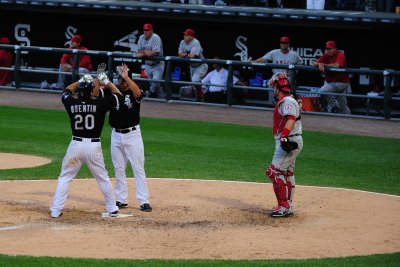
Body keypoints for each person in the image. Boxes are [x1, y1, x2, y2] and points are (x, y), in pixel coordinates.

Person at [50, 72, 123, 218]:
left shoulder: (72, 103)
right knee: (102, 178)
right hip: (93, 147)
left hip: (75, 146)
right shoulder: (99, 104)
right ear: (91, 91)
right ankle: (112, 208)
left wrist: (80, 81)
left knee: (65, 178)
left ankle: (55, 210)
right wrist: (106, 82)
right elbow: (119, 96)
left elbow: (65, 92)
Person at [95, 63, 152, 212]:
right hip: (116, 135)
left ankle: (144, 200)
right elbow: (95, 95)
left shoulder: (134, 91)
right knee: (119, 168)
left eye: (123, 79)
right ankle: (121, 199)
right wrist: (97, 78)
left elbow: (139, 94)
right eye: (120, 79)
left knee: (138, 168)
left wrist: (128, 78)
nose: (120, 82)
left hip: (133, 135)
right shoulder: (113, 92)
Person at [265, 73, 303, 217]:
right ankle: (288, 205)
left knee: (273, 172)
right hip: (290, 139)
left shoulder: (287, 101)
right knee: (287, 173)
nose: (273, 91)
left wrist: (284, 136)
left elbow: (291, 118)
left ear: (277, 87)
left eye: (273, 87)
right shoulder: (288, 100)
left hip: (289, 139)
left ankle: (283, 206)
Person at [252, 36, 303, 106]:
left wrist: (295, 72)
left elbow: (300, 62)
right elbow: (264, 59)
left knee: (289, 91)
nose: (283, 44)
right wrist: (253, 61)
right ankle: (271, 104)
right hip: (276, 75)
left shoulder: (294, 55)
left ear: (288, 44)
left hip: (288, 76)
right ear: (280, 44)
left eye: (285, 43)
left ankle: (288, 105)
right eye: (282, 43)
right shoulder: (274, 52)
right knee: (270, 84)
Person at [313, 40, 351, 114]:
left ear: (335, 48)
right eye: (327, 49)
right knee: (344, 107)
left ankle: (335, 106)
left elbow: (337, 65)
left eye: (330, 49)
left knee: (323, 90)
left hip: (341, 83)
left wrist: (324, 65)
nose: (328, 50)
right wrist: (319, 64)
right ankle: (345, 114)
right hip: (331, 82)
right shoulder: (326, 55)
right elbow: (314, 63)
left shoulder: (340, 54)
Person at [178, 28, 208, 101]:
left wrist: (184, 54)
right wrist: (187, 54)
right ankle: (201, 97)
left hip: (201, 66)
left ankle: (201, 96)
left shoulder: (195, 42)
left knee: (195, 81)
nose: (184, 36)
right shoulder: (182, 42)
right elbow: (179, 54)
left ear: (191, 37)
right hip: (192, 66)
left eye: (186, 35)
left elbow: (192, 56)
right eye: (184, 34)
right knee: (195, 83)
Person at [137, 23, 165, 98]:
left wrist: (144, 51)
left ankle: (148, 94)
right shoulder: (141, 38)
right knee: (155, 85)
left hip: (158, 65)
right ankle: (162, 98)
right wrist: (147, 52)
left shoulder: (156, 38)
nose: (146, 32)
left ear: (152, 31)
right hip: (148, 65)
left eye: (148, 30)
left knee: (154, 83)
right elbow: (138, 54)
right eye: (144, 30)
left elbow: (154, 53)